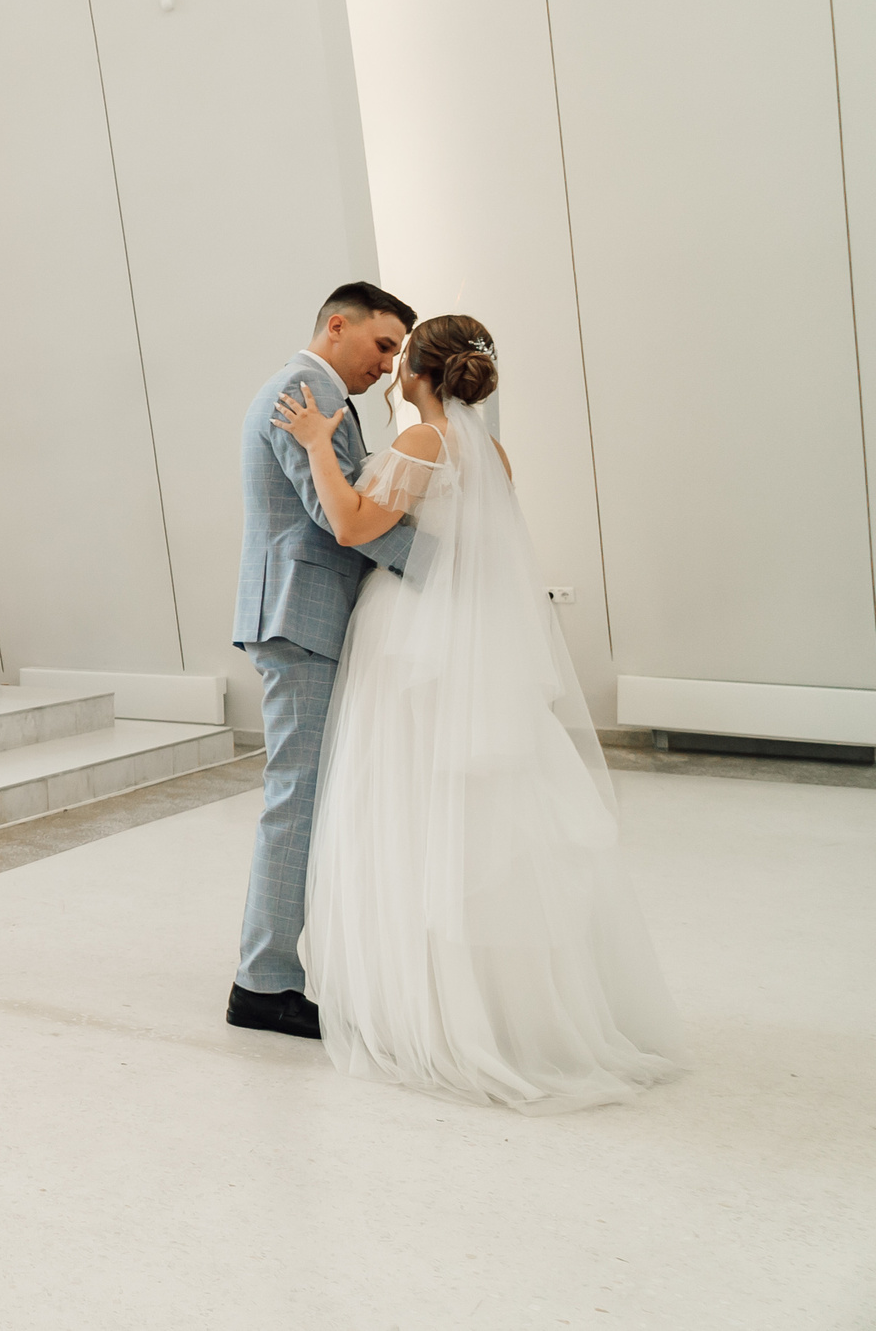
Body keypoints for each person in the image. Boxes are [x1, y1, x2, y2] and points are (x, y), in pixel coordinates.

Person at [274, 316, 686, 1109]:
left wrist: (317, 445)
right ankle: (502, 1001)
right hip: (466, 643)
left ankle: (428, 1003)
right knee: (472, 814)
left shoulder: (424, 446)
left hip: (409, 641)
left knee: (404, 804)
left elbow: (357, 526)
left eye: (400, 361)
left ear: (418, 375)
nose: (391, 373)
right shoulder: (492, 454)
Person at [227, 282, 417, 1040]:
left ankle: (273, 970)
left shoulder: (320, 392)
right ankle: (263, 983)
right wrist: (450, 570)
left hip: (302, 615)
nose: (388, 363)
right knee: (295, 800)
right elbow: (339, 517)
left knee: (302, 798)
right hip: (297, 615)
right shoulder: (303, 389)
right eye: (382, 345)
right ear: (338, 325)